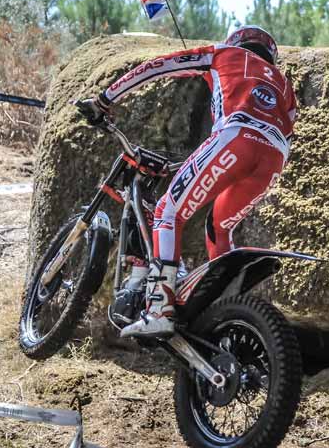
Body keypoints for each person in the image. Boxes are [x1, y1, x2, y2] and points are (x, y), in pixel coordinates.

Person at [78, 26, 297, 338]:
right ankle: (220, 317)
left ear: (237, 42)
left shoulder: (223, 54)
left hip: (233, 138)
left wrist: (105, 98)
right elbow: (286, 128)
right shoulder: (283, 84)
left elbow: (158, 66)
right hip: (275, 155)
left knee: (168, 211)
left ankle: (159, 310)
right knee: (219, 228)